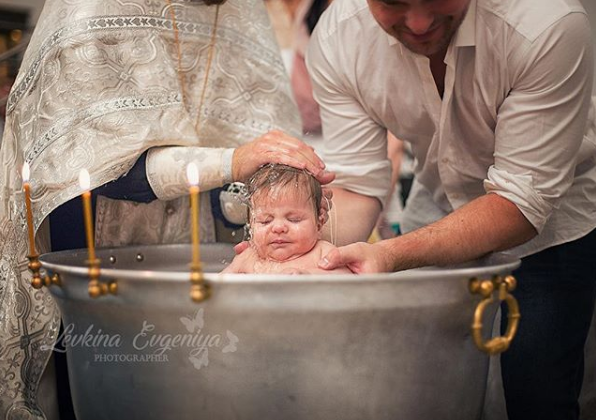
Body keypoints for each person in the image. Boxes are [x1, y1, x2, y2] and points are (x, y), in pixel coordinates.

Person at [0, 0, 333, 418]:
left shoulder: (239, 9)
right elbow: (82, 162)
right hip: (92, 248)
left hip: (199, 244)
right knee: (99, 391)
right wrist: (231, 161)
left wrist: (276, 201)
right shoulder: (88, 9)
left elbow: (249, 148)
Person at [303, 0, 595, 419]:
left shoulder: (546, 21)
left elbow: (519, 203)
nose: (419, 23)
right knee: (422, 389)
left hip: (555, 221)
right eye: (393, 3)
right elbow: (359, 186)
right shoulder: (338, 37)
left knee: (537, 392)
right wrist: (306, 250)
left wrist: (388, 254)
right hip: (437, 203)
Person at [222, 164, 350, 274]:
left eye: (294, 219)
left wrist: (308, 275)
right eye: (266, 221)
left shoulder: (323, 252)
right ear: (251, 226)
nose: (278, 228)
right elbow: (219, 285)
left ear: (319, 223)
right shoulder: (248, 257)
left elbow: (346, 279)